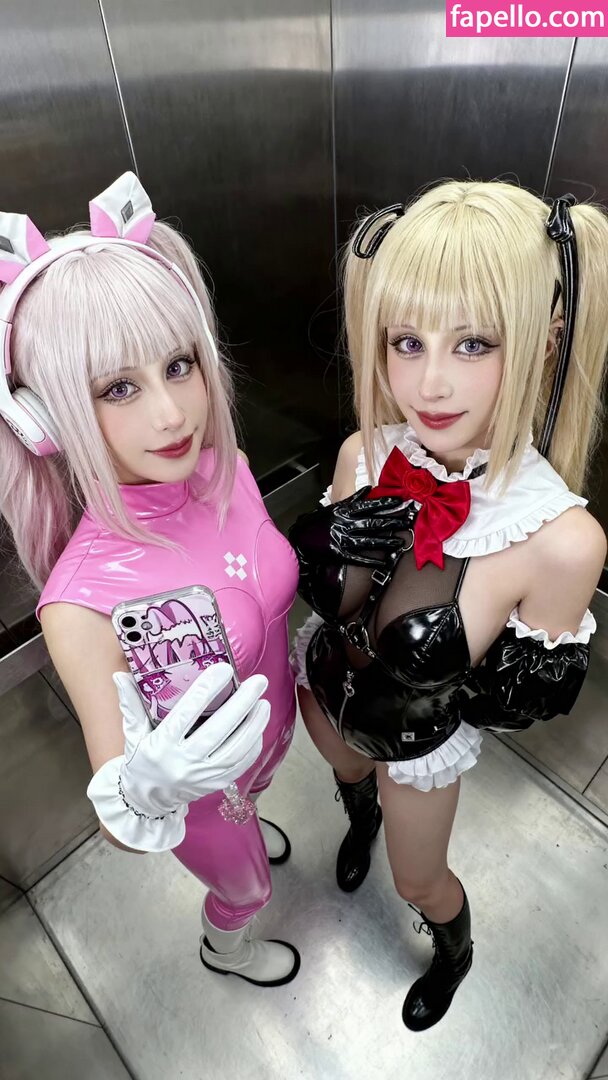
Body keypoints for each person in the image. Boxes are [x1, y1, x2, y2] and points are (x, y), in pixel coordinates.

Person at [289, 180, 608, 1029]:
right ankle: (355, 815)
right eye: (407, 341)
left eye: (473, 343)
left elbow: (515, 708)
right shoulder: (364, 453)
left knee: (418, 879)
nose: (429, 383)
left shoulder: (560, 539)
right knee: (345, 774)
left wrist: (480, 659)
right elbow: (328, 599)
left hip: (417, 746)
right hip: (321, 692)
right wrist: (328, 547)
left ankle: (453, 954)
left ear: (543, 344)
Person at [0, 172, 300, 987]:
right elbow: (121, 827)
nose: (171, 414)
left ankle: (253, 816)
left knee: (257, 817)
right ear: (45, 417)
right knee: (247, 888)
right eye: (118, 388)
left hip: (269, 750)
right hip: (198, 804)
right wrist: (148, 789)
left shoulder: (227, 465)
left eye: (178, 365)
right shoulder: (80, 604)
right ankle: (226, 948)